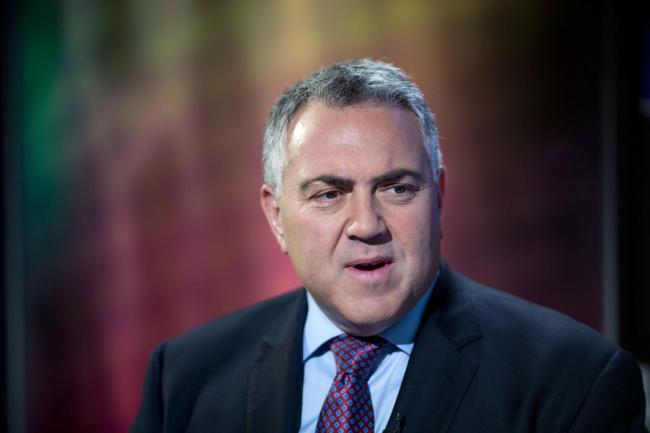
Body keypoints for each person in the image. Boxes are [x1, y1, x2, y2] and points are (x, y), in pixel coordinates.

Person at [130, 59, 648, 433]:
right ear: (276, 216)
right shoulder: (183, 380)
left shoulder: (574, 383)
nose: (366, 224)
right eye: (329, 194)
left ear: (439, 197)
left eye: (397, 188)